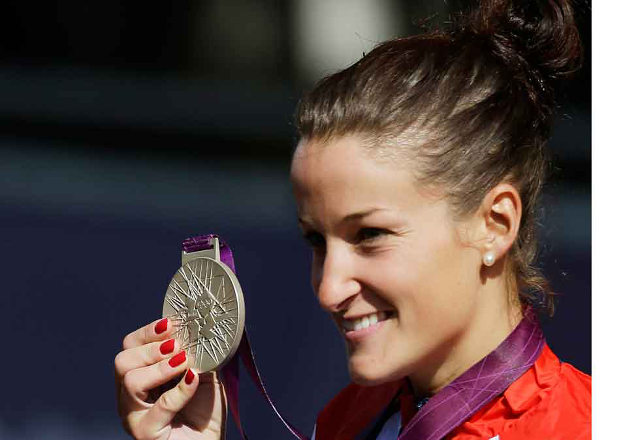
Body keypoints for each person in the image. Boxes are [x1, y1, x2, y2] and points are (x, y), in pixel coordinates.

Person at [114, 0, 591, 438]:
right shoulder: (348, 420)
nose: (328, 290)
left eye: (370, 234)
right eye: (317, 241)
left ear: (495, 224)